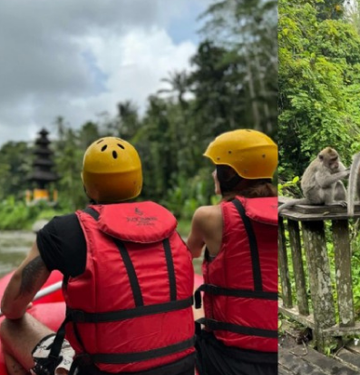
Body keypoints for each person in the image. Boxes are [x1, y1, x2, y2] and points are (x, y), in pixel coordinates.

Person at [0, 137, 196, 375]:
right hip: (182, 367)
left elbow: (11, 308)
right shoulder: (169, 228)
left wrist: (19, 307)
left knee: (9, 326)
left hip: (99, 370)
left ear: (87, 182)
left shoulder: (64, 231)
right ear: (137, 180)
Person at [188, 129, 278, 375]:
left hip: (229, 356)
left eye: (217, 166)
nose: (212, 173)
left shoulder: (208, 217)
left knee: (192, 312)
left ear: (229, 174)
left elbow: (188, 255)